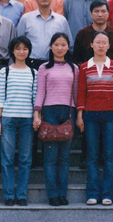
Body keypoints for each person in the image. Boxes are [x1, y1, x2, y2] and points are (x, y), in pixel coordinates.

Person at [77, 30, 113, 206]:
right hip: (90, 115)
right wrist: (80, 115)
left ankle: (107, 194)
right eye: (98, 42)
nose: (101, 46)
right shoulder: (84, 67)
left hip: (111, 114)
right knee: (92, 155)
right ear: (91, 45)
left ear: (109, 45)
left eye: (104, 42)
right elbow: (81, 92)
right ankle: (93, 193)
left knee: (109, 155)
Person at [34, 33, 79, 206]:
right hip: (50, 111)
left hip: (68, 112)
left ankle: (62, 193)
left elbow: (76, 94)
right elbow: (40, 92)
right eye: (56, 44)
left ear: (68, 47)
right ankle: (52, 194)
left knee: (64, 158)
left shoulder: (74, 68)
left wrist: (78, 115)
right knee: (51, 157)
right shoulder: (44, 68)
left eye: (63, 44)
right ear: (51, 47)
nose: (60, 48)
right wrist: (37, 113)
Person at [0, 36, 38, 206]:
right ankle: (8, 195)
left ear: (29, 51)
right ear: (12, 51)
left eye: (25, 49)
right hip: (8, 118)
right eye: (18, 48)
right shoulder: (4, 72)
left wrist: (36, 116)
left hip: (27, 119)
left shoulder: (33, 73)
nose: (21, 52)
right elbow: (0, 97)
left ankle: (21, 195)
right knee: (7, 158)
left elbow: (35, 98)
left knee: (25, 159)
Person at [16, 0, 73, 69]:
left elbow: (69, 43)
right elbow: (19, 41)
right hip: (31, 63)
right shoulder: (26, 19)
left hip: (55, 63)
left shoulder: (61, 20)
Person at [73, 0, 113, 66]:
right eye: (96, 11)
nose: (100, 15)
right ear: (91, 14)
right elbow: (77, 59)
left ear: (108, 14)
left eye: (103, 11)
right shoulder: (82, 34)